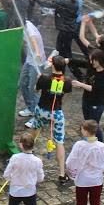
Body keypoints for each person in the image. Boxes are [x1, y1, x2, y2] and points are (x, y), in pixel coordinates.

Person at [27, 55, 72, 185]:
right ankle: (62, 174)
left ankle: (27, 153)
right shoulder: (67, 81)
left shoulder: (44, 78)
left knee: (34, 130)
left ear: (53, 66)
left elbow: (35, 91)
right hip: (56, 113)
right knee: (59, 142)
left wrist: (38, 80)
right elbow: (66, 95)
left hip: (41, 110)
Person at [66, 120, 104, 205]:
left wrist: (72, 173)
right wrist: (100, 168)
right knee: (95, 202)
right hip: (96, 180)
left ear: (86, 131)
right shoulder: (102, 147)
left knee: (81, 202)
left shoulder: (79, 145)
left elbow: (70, 162)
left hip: (82, 180)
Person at [3, 132, 44, 205]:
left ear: (21, 145)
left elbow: (6, 175)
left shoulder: (15, 158)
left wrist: (12, 180)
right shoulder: (37, 161)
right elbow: (40, 178)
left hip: (15, 192)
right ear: (33, 145)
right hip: (30, 192)